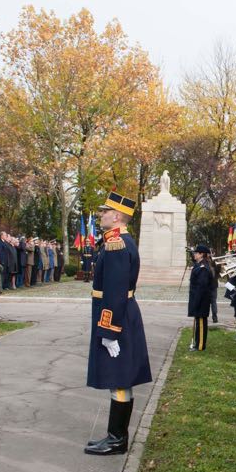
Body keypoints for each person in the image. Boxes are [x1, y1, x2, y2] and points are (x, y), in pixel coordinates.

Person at [84, 190, 153, 456]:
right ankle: (116, 437)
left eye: (104, 211)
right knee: (120, 378)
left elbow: (114, 291)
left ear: (116, 216)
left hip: (117, 318)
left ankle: (117, 439)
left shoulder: (116, 245)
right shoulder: (119, 241)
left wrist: (108, 330)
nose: (101, 215)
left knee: (120, 378)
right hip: (122, 315)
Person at [188, 245, 214, 351]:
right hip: (198, 298)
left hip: (201, 300)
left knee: (201, 323)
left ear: (201, 254)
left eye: (196, 253)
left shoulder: (203, 267)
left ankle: (200, 345)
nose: (194, 255)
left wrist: (196, 302)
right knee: (199, 322)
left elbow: (201, 287)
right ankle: (198, 343)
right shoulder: (199, 265)